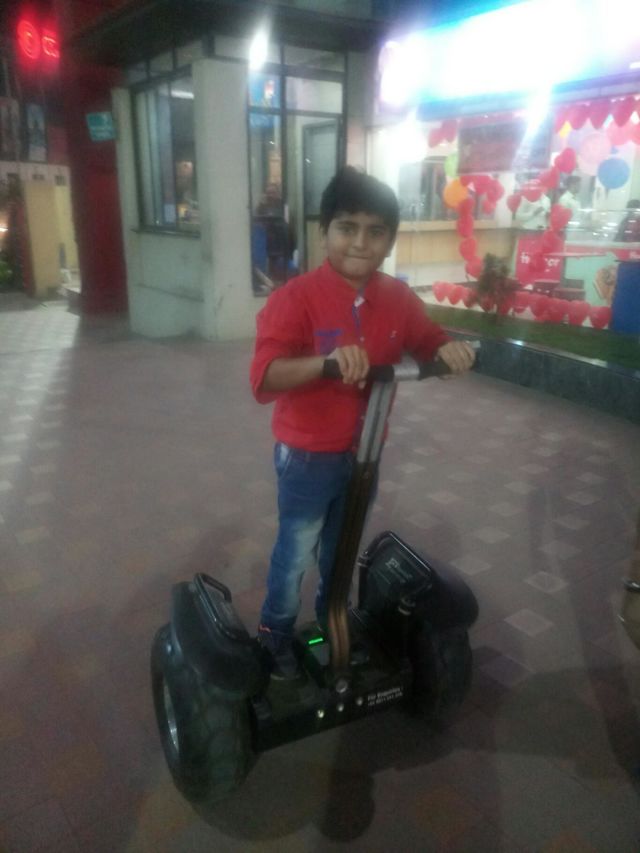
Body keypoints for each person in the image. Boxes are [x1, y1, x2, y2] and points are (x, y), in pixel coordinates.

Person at [249, 166, 476, 679]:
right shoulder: (295, 298)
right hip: (307, 456)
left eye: (375, 232)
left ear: (389, 241)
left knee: (341, 548)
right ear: (323, 232)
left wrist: (448, 349)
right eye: (347, 227)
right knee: (297, 552)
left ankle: (331, 624)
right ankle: (273, 635)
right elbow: (264, 377)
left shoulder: (397, 298)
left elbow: (428, 339)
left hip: (364, 454)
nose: (360, 242)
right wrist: (325, 363)